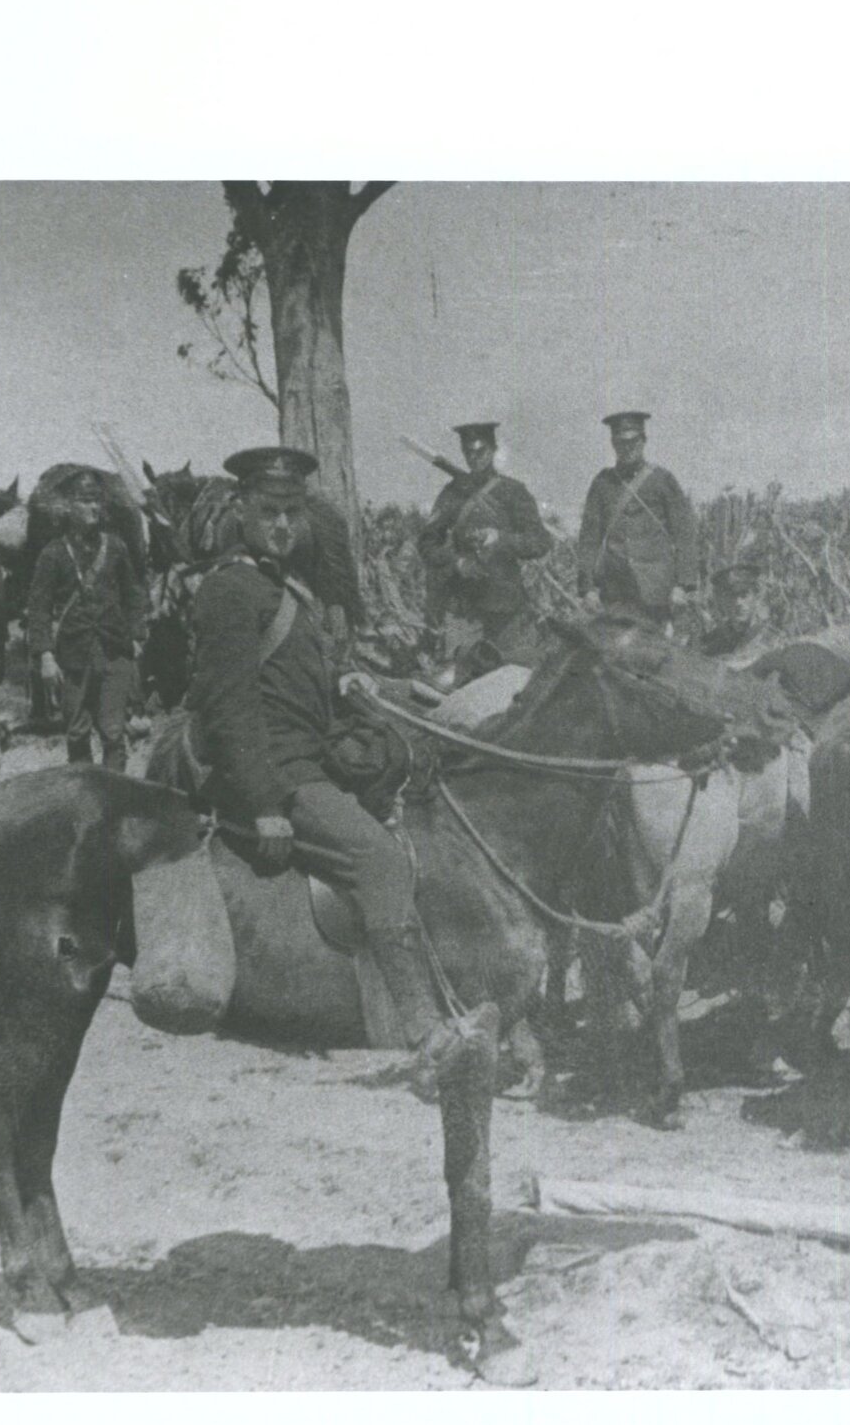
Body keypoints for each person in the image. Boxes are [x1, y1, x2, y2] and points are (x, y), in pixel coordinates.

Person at [189, 446, 465, 1091]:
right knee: (377, 858)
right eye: (268, 512)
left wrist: (344, 681)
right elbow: (229, 710)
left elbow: (290, 682)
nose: (283, 525)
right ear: (242, 511)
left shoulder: (287, 588)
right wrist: (263, 803)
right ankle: (424, 1032)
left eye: (292, 513)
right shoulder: (231, 590)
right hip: (279, 772)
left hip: (308, 755)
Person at [25, 467, 148, 772]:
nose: (93, 507)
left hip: (113, 652)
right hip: (73, 658)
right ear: (67, 506)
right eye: (84, 500)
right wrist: (45, 656)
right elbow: (38, 608)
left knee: (113, 734)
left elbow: (134, 594)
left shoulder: (115, 546)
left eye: (96, 500)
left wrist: (136, 635)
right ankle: (84, 799)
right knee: (77, 734)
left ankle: (114, 803)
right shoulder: (53, 554)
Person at [415, 421, 553, 678]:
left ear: (493, 450)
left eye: (481, 451)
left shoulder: (513, 492)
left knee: (514, 681)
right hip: (464, 606)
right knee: (456, 682)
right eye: (469, 452)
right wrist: (457, 562)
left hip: (507, 607)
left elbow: (541, 541)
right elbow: (426, 543)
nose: (475, 458)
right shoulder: (452, 494)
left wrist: (500, 538)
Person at [575, 409, 700, 627]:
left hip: (657, 593)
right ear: (613, 444)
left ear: (643, 441)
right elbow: (589, 540)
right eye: (621, 442)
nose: (627, 448)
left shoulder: (663, 480)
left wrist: (683, 585)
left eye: (633, 441)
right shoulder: (602, 484)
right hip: (616, 593)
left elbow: (684, 536)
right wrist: (587, 588)